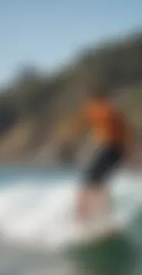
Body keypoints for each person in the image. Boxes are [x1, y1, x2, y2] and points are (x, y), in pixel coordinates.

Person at [55, 87, 135, 223]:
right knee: (100, 184)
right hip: (118, 152)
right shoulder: (112, 110)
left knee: (87, 184)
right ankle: (105, 216)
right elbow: (128, 134)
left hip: (108, 149)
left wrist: (65, 143)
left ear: (93, 99)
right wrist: (133, 156)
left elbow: (76, 127)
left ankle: (84, 219)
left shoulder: (96, 109)